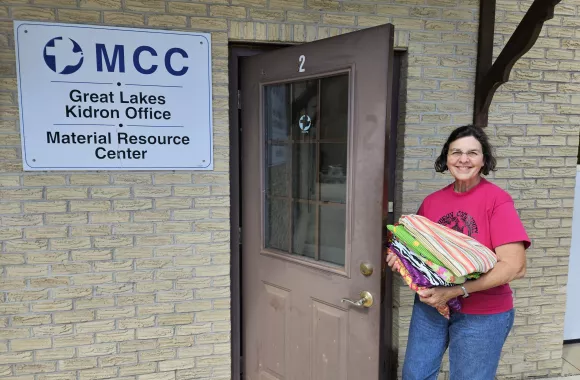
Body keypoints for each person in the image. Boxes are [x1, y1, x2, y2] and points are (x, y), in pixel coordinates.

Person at [386, 124, 530, 380]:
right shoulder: (432, 202)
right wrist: (400, 259)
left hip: (483, 314)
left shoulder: (497, 200)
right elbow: (416, 252)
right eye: (456, 152)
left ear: (484, 160)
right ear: (446, 158)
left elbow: (515, 266)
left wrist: (454, 291)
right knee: (414, 376)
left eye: (472, 153)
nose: (463, 159)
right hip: (431, 307)